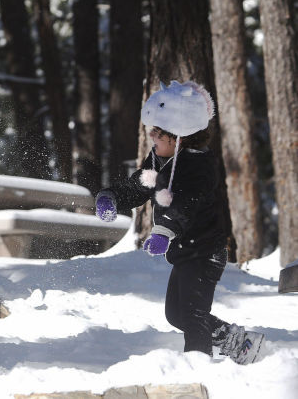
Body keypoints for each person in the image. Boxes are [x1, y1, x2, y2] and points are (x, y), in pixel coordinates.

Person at [95, 80, 264, 364]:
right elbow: (138, 186)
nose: (153, 142)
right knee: (176, 314)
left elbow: (185, 206)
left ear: (178, 138)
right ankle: (238, 341)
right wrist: (111, 197)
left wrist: (163, 231)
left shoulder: (197, 167)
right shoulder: (159, 162)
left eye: (158, 137)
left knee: (192, 314)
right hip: (187, 253)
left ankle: (197, 368)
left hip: (205, 252)